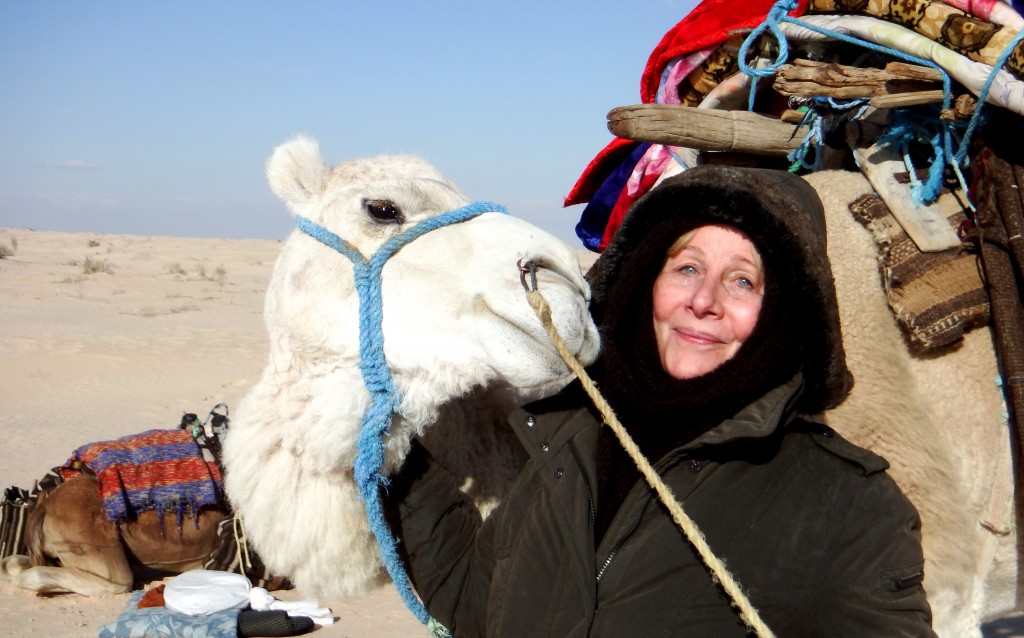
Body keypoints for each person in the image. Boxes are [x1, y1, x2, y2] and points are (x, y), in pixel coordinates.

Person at [384, 165, 935, 636]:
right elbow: (474, 611)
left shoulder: (848, 507)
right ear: (648, 282)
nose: (703, 301)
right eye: (687, 268)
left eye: (742, 281)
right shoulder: (563, 447)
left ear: (782, 312)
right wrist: (394, 446)